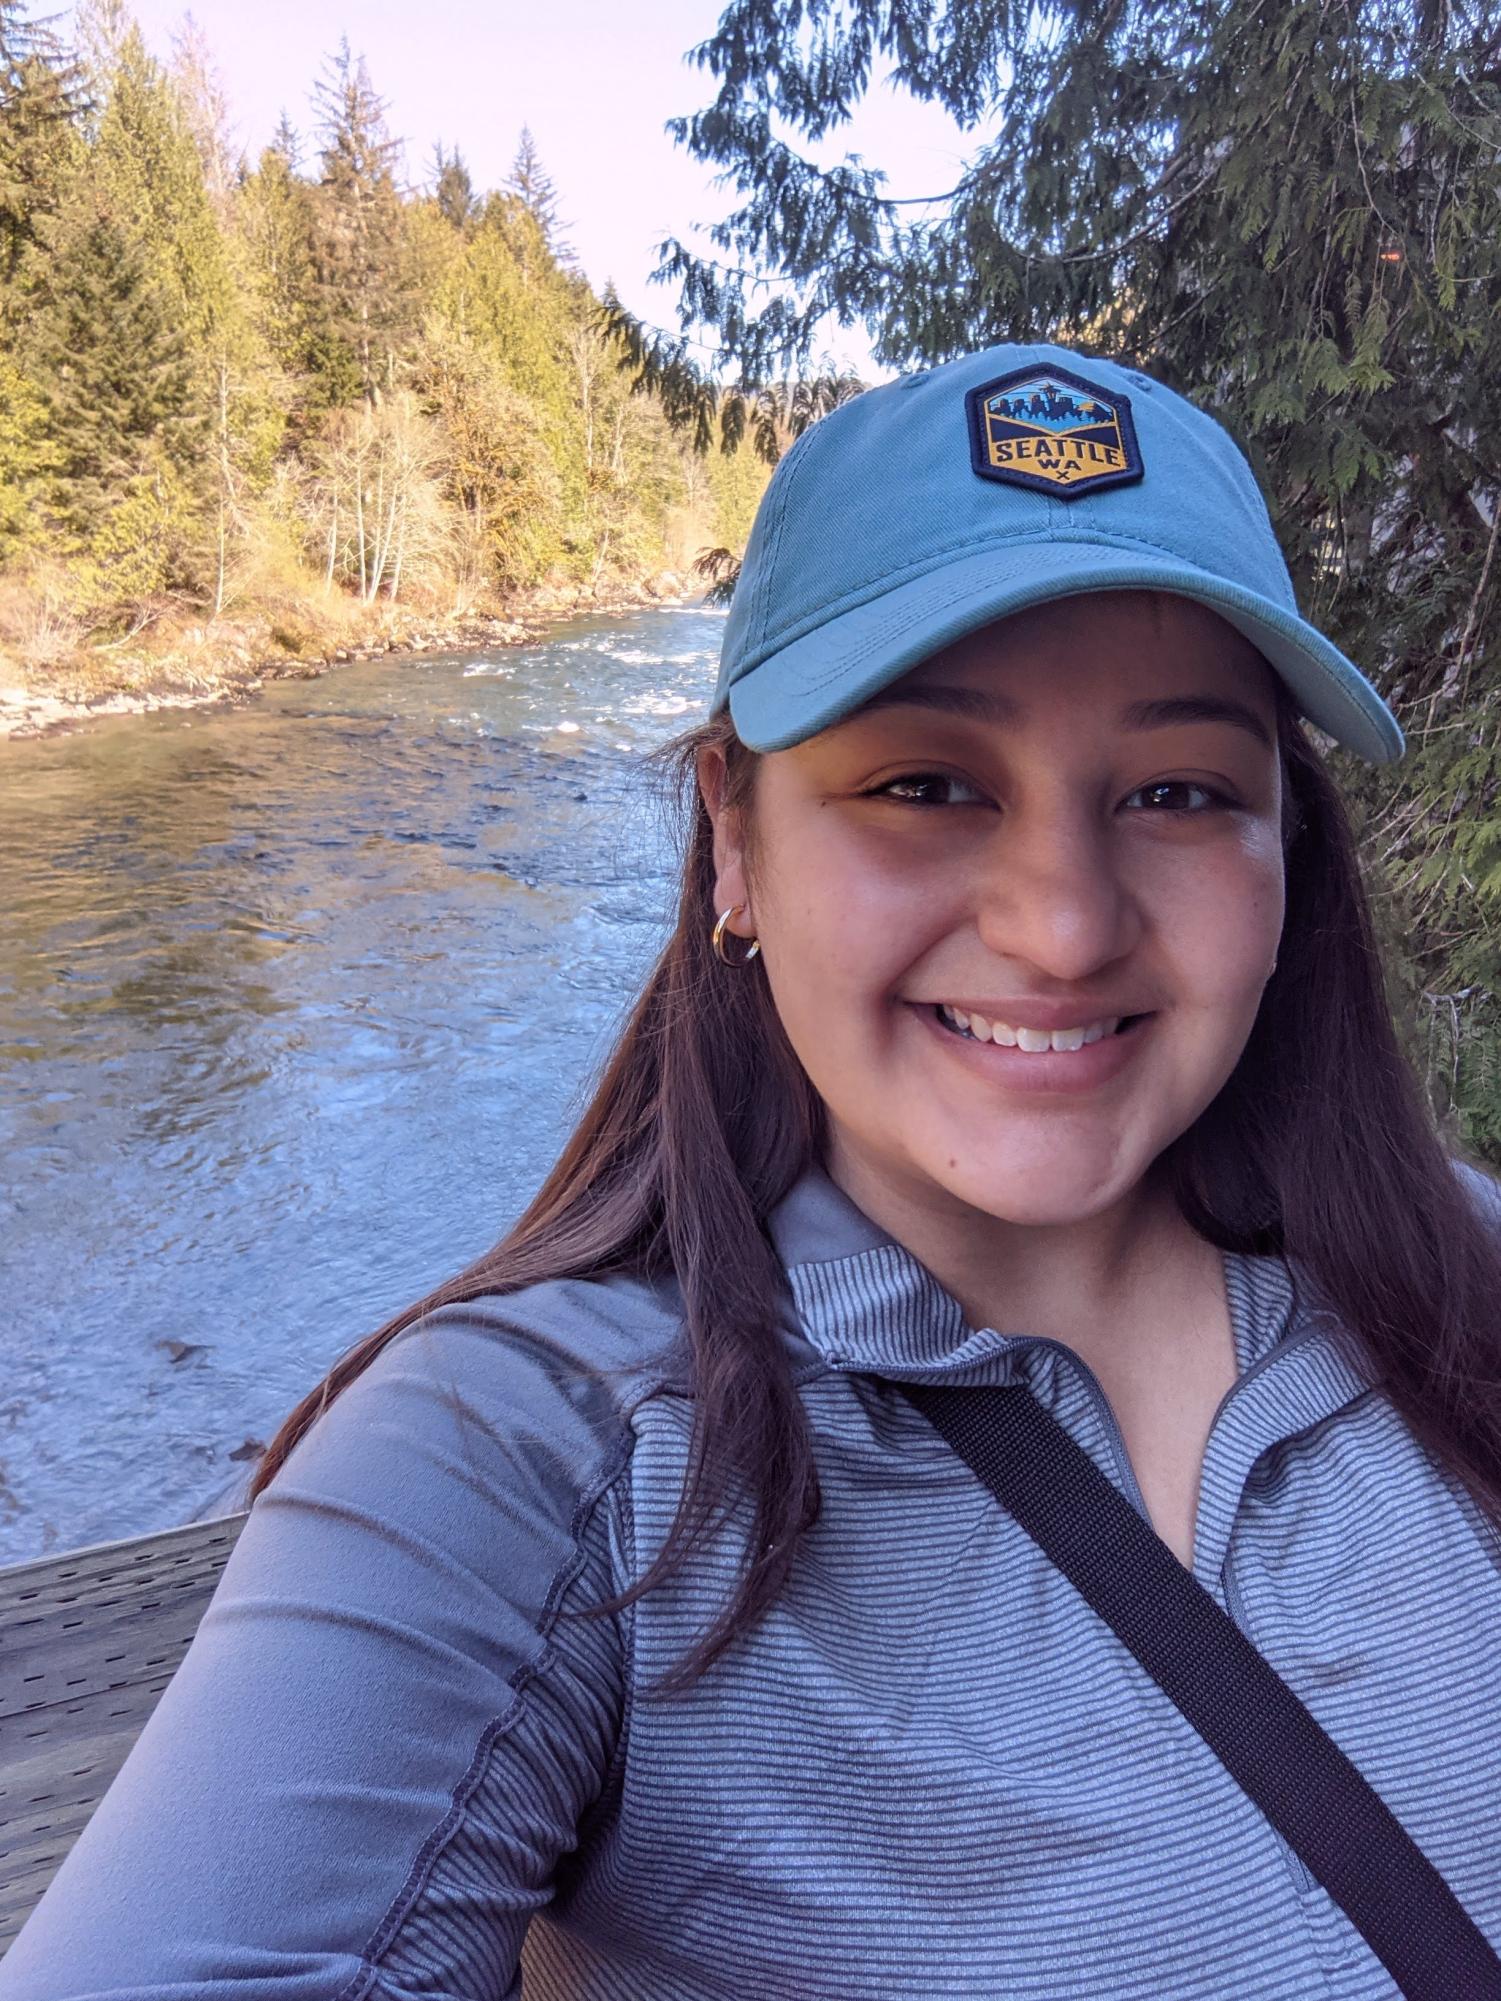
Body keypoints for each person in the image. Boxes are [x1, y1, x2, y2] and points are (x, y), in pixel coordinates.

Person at [6, 341, 1501, 2000]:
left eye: (1176, 790)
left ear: (1282, 846)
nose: (1063, 924)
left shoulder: (1464, 1287)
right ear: (735, 835)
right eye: (924, 784)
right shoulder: (532, 1456)